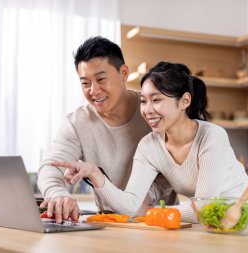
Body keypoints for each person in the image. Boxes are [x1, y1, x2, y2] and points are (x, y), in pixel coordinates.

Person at [52, 61, 248, 229]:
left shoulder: (212, 137)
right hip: (215, 227)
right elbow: (132, 205)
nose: (147, 110)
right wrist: (95, 175)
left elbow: (204, 208)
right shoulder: (149, 146)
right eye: (143, 101)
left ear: (184, 101)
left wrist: (156, 213)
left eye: (157, 100)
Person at [37, 38, 179, 224]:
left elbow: (176, 162)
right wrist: (58, 194)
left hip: (158, 222)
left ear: (124, 73)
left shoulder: (153, 111)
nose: (94, 91)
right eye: (85, 83)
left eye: (101, 79)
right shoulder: (77, 122)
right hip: (109, 223)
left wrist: (148, 195)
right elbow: (51, 166)